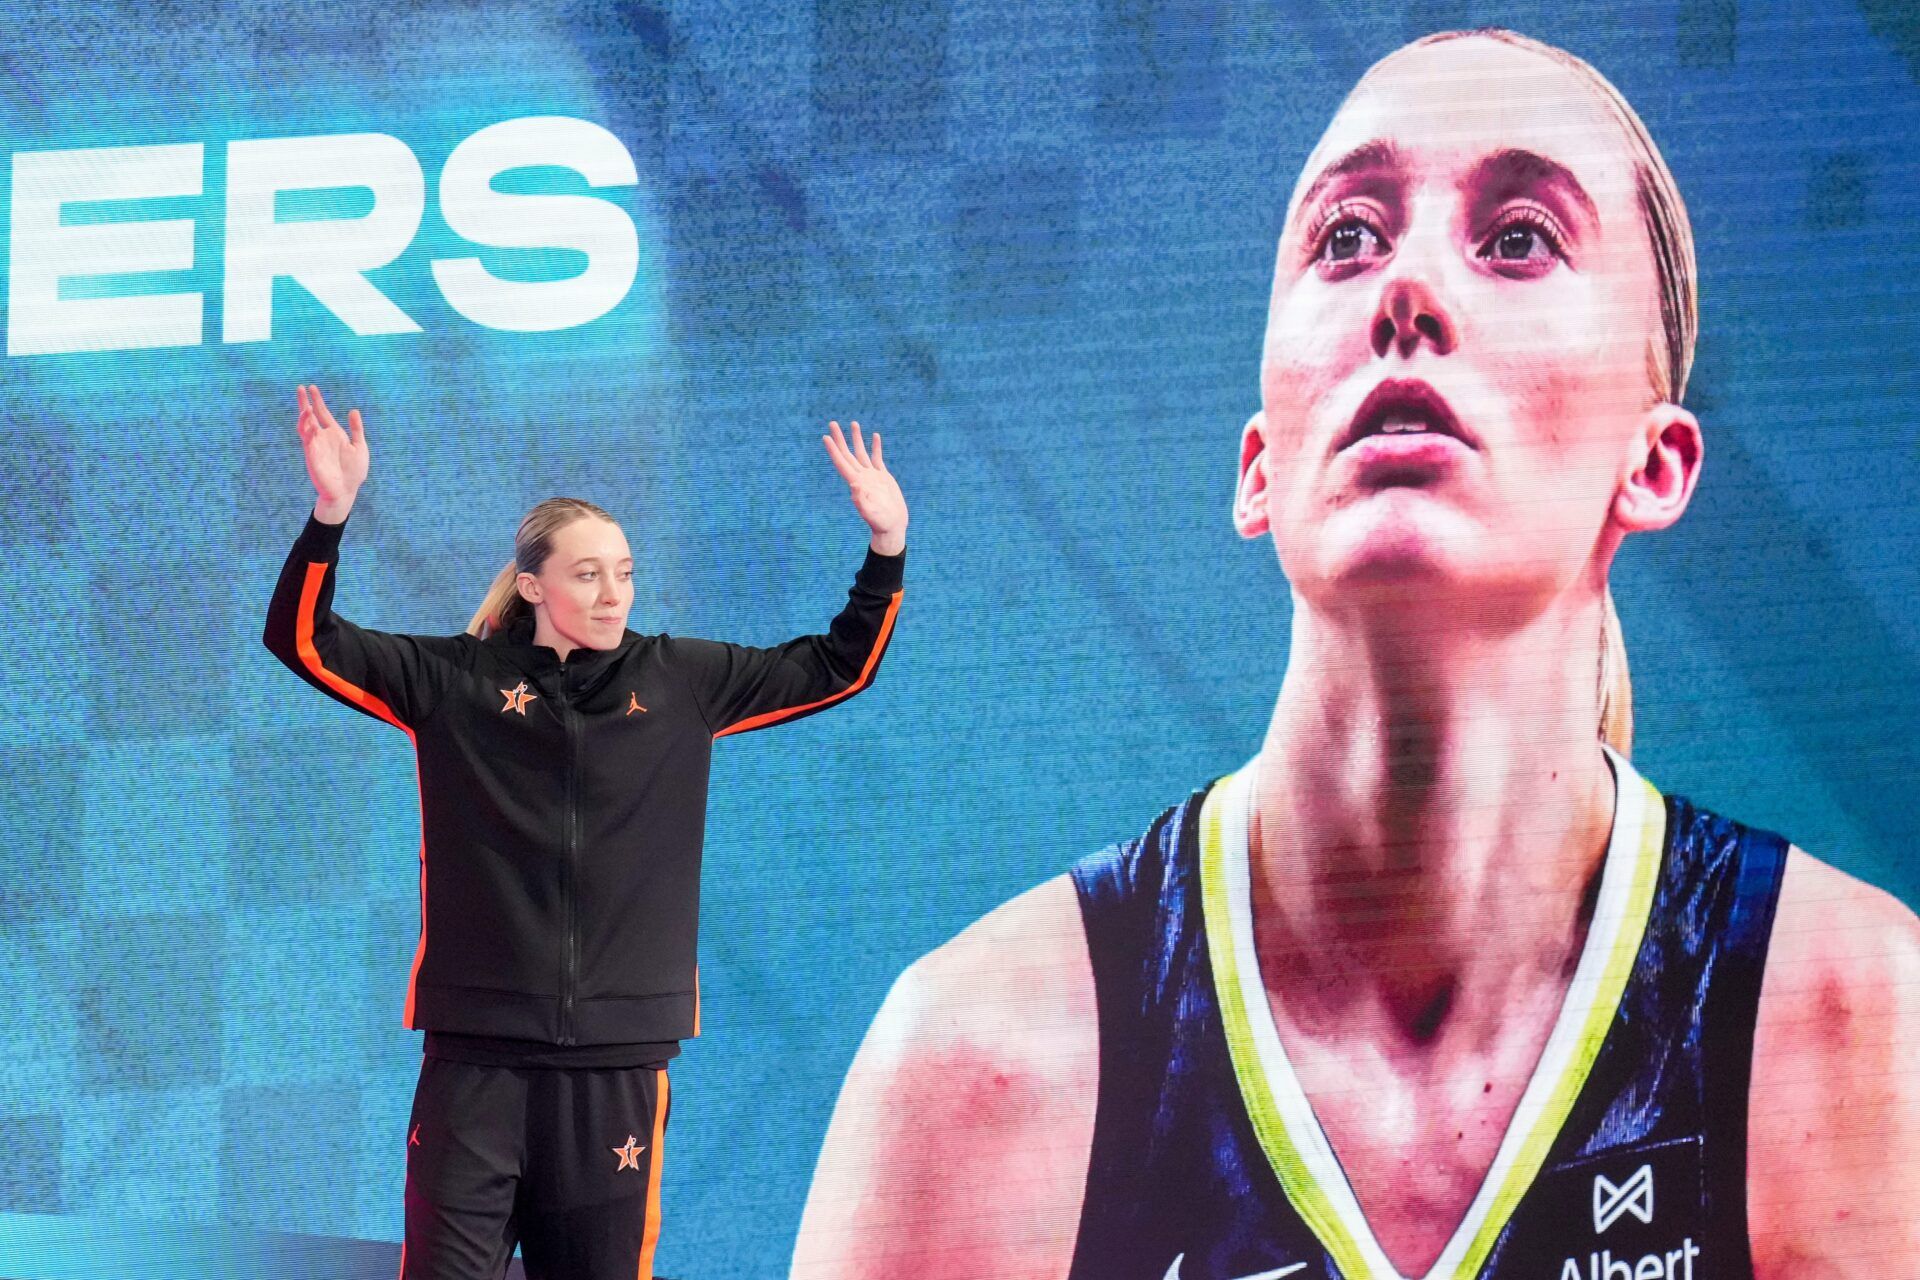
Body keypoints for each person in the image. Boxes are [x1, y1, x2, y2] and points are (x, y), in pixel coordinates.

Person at [791, 29, 1919, 1280]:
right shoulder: (979, 1059)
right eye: (1348, 236)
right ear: (1260, 465)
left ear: (1651, 464)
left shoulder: (1853, 1021)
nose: (1408, 289)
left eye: (1518, 236)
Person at [262, 384, 907, 1280]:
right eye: (587, 573)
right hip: (474, 1065)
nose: (614, 594)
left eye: (626, 571)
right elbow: (304, 642)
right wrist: (329, 517)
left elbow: (840, 663)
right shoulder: (451, 681)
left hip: (618, 1070)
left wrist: (885, 547)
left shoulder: (681, 679)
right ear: (532, 586)